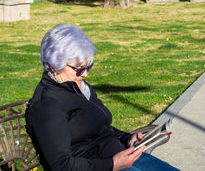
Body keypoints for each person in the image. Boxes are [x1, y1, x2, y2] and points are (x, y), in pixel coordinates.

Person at [25, 24, 180, 171]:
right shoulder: (48, 104)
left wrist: (127, 138)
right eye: (79, 69)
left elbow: (100, 127)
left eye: (88, 67)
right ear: (54, 65)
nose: (85, 74)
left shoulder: (78, 87)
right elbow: (62, 165)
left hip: (119, 156)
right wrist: (112, 164)